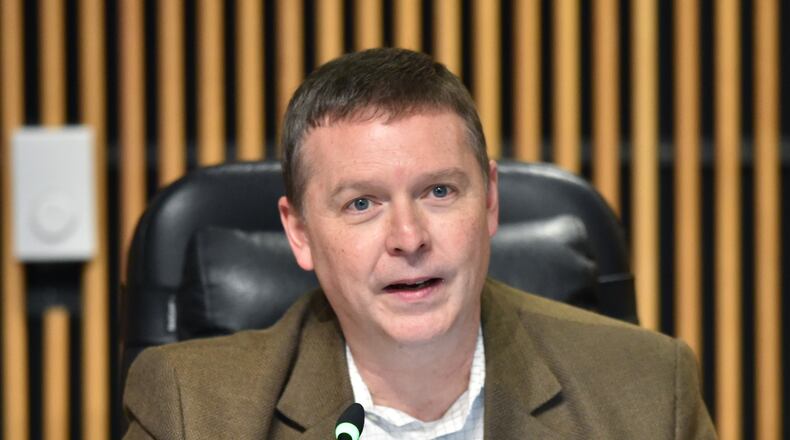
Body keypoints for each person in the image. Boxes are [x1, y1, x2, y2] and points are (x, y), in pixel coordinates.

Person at [122, 48, 716, 439]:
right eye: (362, 204)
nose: (409, 239)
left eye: (437, 191)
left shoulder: (647, 393)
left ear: (488, 201)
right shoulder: (189, 411)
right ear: (299, 232)